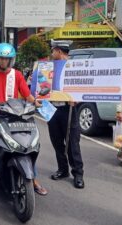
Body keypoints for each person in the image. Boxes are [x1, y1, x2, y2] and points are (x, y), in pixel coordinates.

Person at [0, 43, 48, 196]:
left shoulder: (16, 75)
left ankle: (33, 179)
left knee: (28, 145)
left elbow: (27, 94)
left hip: (14, 115)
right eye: (1, 59)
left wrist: (35, 102)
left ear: (11, 60)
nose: (4, 62)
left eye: (7, 59)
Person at [48, 40, 85, 189]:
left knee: (72, 143)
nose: (52, 54)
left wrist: (76, 98)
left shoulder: (75, 67)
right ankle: (63, 170)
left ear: (58, 51)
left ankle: (78, 174)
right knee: (57, 141)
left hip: (68, 109)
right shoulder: (49, 67)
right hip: (51, 109)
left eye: (53, 51)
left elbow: (84, 86)